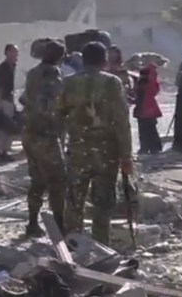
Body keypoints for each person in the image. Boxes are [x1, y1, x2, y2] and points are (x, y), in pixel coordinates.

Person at [57, 41, 133, 245]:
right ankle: (100, 246)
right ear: (104, 59)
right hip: (106, 153)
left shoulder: (69, 82)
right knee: (103, 204)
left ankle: (72, 246)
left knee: (74, 202)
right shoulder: (112, 82)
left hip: (78, 151)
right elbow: (122, 121)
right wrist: (126, 156)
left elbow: (58, 115)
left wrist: (61, 145)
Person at [21, 40, 67, 237]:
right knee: (58, 181)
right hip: (46, 134)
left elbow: (23, 98)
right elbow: (49, 105)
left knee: (37, 180)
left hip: (29, 132)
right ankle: (59, 227)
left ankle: (32, 223)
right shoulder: (52, 74)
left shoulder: (33, 73)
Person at [0, 44, 19, 163]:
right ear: (7, 53)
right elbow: (0, 87)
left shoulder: (15, 67)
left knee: (10, 128)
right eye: (13, 52)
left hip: (12, 100)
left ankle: (4, 152)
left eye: (16, 52)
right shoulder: (1, 68)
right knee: (1, 128)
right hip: (3, 100)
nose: (15, 55)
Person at [133, 62, 163, 154]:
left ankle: (147, 147)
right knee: (149, 128)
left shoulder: (144, 82)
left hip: (144, 107)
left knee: (146, 128)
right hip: (147, 107)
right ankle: (151, 147)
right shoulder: (146, 82)